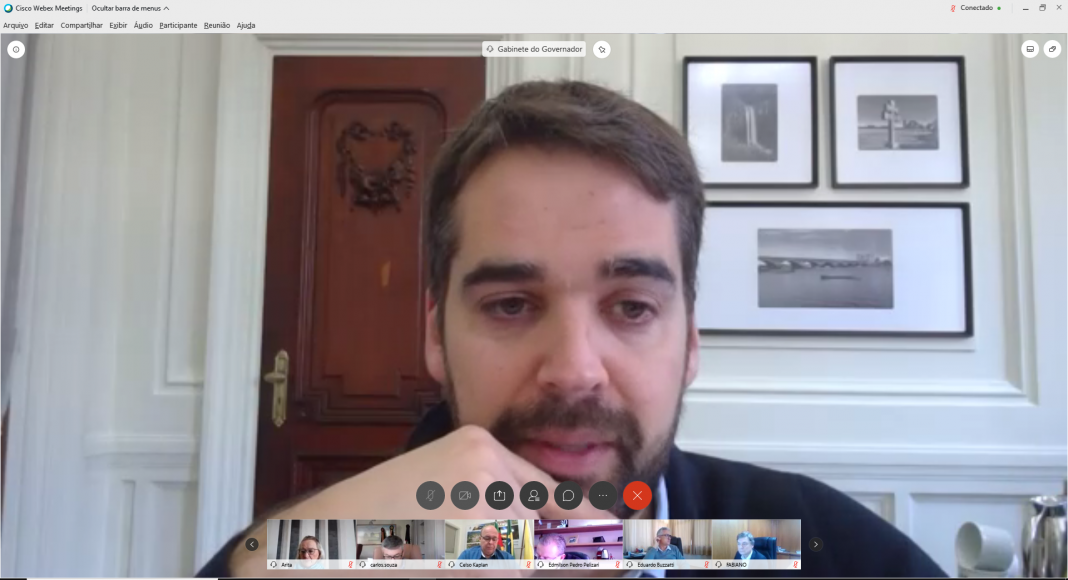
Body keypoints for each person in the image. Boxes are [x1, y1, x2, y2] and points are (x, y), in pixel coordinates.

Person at [197, 79, 946, 578]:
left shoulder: (809, 544)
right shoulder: (320, 554)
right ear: (435, 335)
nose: (575, 370)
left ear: (690, 342)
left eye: (632, 308)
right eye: (511, 305)